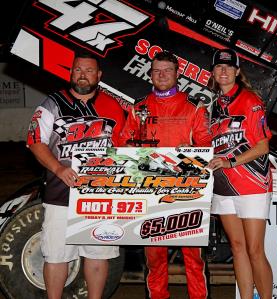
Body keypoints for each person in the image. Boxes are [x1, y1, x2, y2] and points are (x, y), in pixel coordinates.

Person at [26, 51, 125, 298]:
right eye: (78, 69)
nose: (83, 75)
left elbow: (124, 148)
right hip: (60, 194)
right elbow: (35, 141)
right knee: (57, 256)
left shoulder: (112, 106)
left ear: (99, 75)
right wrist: (58, 168)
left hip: (100, 195)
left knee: (97, 256)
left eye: (89, 70)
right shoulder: (52, 102)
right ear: (71, 72)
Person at [120, 51, 211, 299]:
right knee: (155, 258)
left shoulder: (194, 107)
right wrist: (133, 151)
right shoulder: (139, 107)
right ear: (150, 74)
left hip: (187, 191)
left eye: (167, 70)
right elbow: (124, 144)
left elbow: (206, 145)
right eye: (157, 71)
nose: (162, 75)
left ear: (177, 74)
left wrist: (191, 153)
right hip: (150, 190)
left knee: (193, 258)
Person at [207, 49, 273, 299]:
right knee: (237, 248)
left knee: (255, 250)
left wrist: (230, 161)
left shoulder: (250, 101)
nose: (223, 71)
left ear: (237, 71)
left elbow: (262, 147)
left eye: (228, 67)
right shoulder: (213, 106)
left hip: (253, 184)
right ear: (213, 73)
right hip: (224, 186)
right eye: (218, 67)